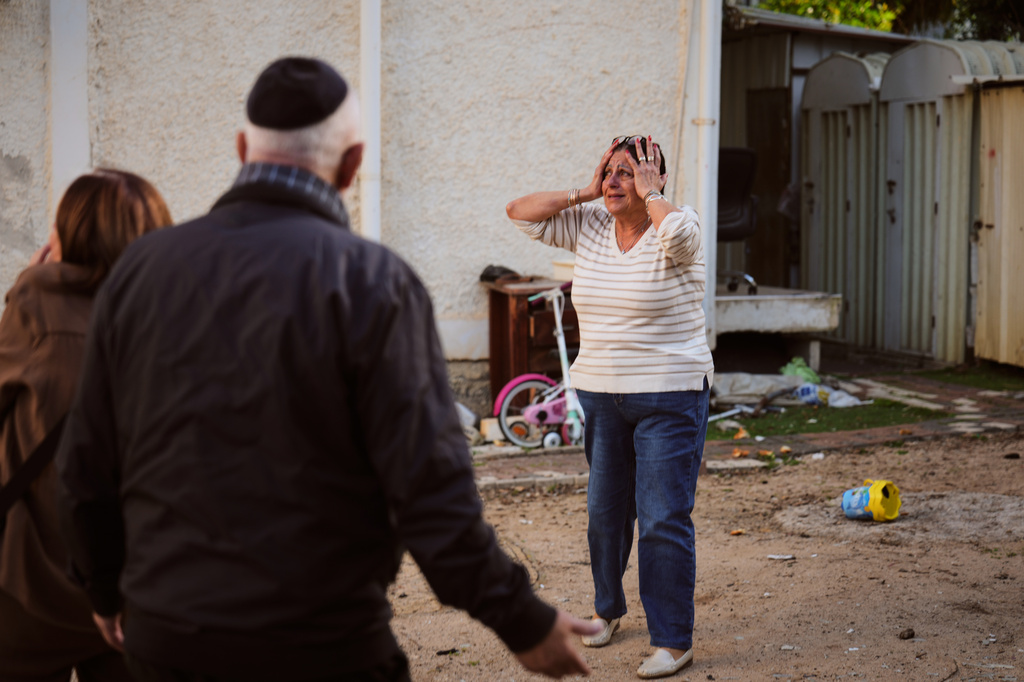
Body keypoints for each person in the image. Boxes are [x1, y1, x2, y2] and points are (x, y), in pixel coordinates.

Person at [55, 57, 599, 682]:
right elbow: (429, 490)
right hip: (322, 647)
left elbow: (84, 469)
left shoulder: (142, 271)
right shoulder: (373, 282)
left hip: (168, 641)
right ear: (351, 164)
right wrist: (521, 620)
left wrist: (102, 590)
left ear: (242, 149)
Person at [505, 135, 714, 679]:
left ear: (658, 180)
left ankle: (672, 639)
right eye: (612, 172)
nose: (618, 181)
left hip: (670, 395)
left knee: (663, 515)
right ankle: (607, 611)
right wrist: (585, 189)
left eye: (632, 172)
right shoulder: (590, 225)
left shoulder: (678, 222)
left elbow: (681, 240)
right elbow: (518, 212)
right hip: (601, 393)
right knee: (605, 515)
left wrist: (651, 195)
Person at [0, 169, 172, 682]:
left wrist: (22, 289)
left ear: (68, 233)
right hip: (134, 581)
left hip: (31, 581)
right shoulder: (173, 313)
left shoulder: (36, 302)